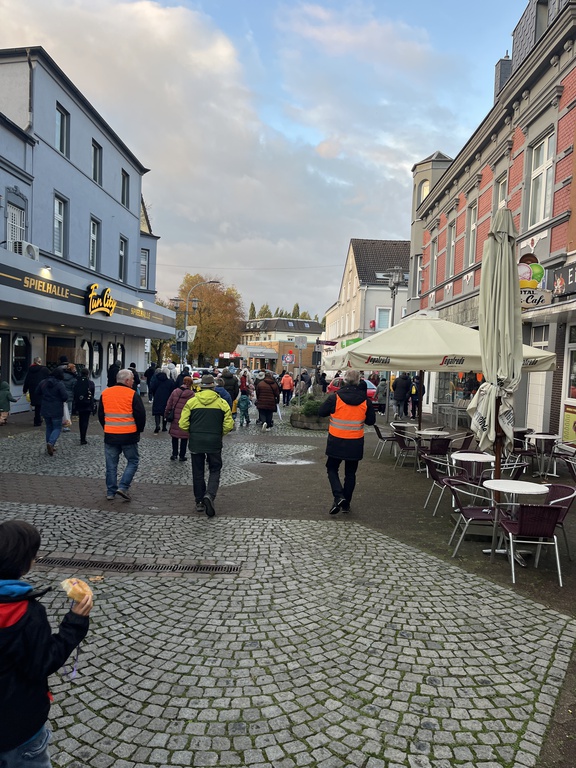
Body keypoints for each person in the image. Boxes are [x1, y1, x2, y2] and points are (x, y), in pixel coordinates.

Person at [0, 519, 92, 768]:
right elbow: (42, 662)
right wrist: (75, 622)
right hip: (20, 727)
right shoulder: (27, 613)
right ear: (24, 562)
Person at [318, 368, 376, 515]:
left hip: (336, 440)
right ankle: (345, 503)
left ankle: (338, 496)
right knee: (350, 474)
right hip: (355, 442)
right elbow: (371, 421)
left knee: (332, 468)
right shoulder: (365, 401)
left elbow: (321, 412)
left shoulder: (335, 398)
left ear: (344, 380)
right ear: (359, 381)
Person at [178, 374, 234, 518]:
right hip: (214, 442)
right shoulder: (222, 403)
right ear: (213, 387)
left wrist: (193, 432)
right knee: (215, 469)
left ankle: (199, 501)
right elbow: (229, 425)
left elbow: (182, 424)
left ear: (201, 387)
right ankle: (209, 494)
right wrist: (219, 433)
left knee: (198, 471)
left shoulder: (192, 402)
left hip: (196, 442)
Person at [98, 368, 146, 501]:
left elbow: (101, 415)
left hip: (110, 434)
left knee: (111, 465)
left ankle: (110, 492)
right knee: (133, 461)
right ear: (126, 381)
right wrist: (139, 430)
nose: (133, 382)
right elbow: (140, 415)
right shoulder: (132, 394)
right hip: (128, 434)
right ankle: (123, 486)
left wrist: (106, 426)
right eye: (131, 380)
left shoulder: (105, 393)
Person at [38, 368, 68, 456]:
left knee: (49, 427)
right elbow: (65, 397)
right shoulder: (59, 384)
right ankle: (51, 443)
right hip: (56, 409)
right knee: (57, 428)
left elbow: (37, 392)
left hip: (45, 408)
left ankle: (50, 444)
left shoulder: (43, 382)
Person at [164, 376, 195, 461]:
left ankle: (174, 454)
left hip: (175, 417)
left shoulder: (175, 391)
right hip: (185, 418)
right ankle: (182, 455)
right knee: (184, 437)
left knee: (175, 436)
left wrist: (166, 414)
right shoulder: (192, 394)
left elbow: (169, 404)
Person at [23, 357, 50, 426]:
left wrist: (25, 390)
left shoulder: (30, 369)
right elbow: (50, 379)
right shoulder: (44, 370)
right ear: (40, 362)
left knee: (37, 405)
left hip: (33, 389)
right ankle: (39, 419)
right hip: (42, 389)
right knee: (41, 405)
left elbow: (27, 380)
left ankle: (37, 419)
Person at [73, 368, 96, 445]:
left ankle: (81, 436)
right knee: (85, 421)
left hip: (79, 403)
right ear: (88, 374)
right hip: (87, 404)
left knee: (81, 420)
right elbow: (92, 393)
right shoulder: (91, 383)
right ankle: (83, 438)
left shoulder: (77, 382)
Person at [149, 367, 175, 433]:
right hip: (166, 398)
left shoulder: (156, 380)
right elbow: (173, 390)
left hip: (157, 397)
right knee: (165, 412)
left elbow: (152, 388)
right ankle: (164, 427)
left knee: (157, 413)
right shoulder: (169, 381)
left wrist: (153, 394)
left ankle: (157, 425)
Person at [61, 363, 78, 430]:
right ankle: (66, 425)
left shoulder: (62, 376)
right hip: (69, 395)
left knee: (62, 410)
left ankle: (61, 423)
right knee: (69, 410)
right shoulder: (73, 378)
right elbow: (74, 388)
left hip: (62, 395)